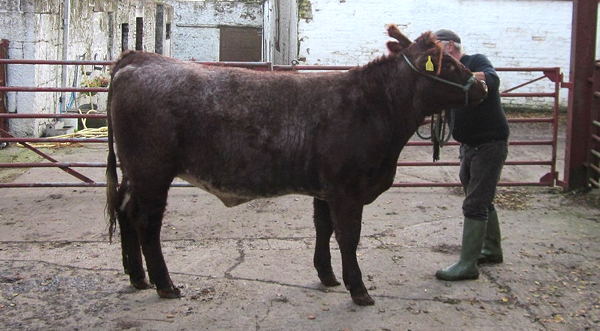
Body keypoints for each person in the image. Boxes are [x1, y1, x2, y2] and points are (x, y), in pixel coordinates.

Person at [434, 29, 510, 281]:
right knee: (480, 197)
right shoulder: (442, 70)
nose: (435, 53)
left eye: (437, 47)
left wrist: (461, 74)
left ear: (451, 46)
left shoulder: (476, 60)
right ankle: (491, 249)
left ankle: (468, 265)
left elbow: (492, 79)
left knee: (475, 203)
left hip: (489, 143)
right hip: (469, 145)